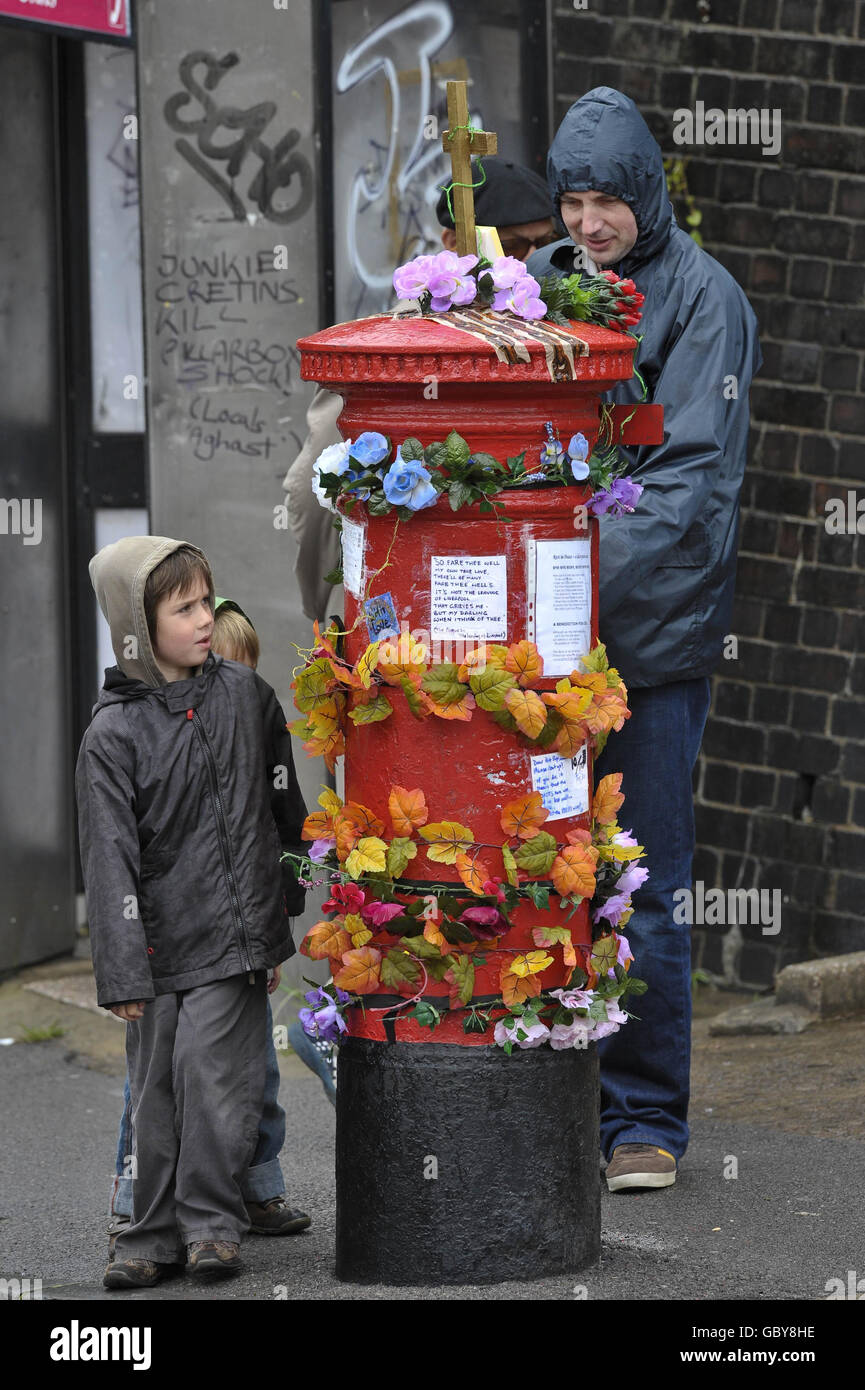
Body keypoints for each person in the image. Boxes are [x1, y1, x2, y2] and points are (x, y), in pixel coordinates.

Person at [527, 87, 762, 1192]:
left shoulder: (704, 302)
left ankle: (643, 1124)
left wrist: (558, 587)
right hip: (552, 642)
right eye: (572, 201)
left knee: (643, 883)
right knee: (542, 872)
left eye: (606, 199)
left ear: (645, 193)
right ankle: (551, 1099)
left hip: (651, 648)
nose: (588, 222)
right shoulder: (553, 289)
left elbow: (688, 490)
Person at [76, 537, 307, 1288]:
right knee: (155, 1097)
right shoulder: (111, 735)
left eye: (207, 600)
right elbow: (108, 857)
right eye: (185, 608)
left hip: (235, 939)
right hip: (154, 949)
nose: (207, 618)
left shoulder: (246, 697)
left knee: (219, 1086)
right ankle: (148, 1236)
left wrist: (281, 910)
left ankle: (211, 1228)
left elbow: (282, 808)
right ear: (139, 627)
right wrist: (121, 969)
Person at [283, 157, 560, 623]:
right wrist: (322, 605)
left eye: (546, 242)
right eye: (512, 244)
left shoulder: (557, 326)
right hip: (427, 597)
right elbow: (315, 482)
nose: (530, 260)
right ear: (451, 241)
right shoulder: (392, 347)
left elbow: (310, 493)